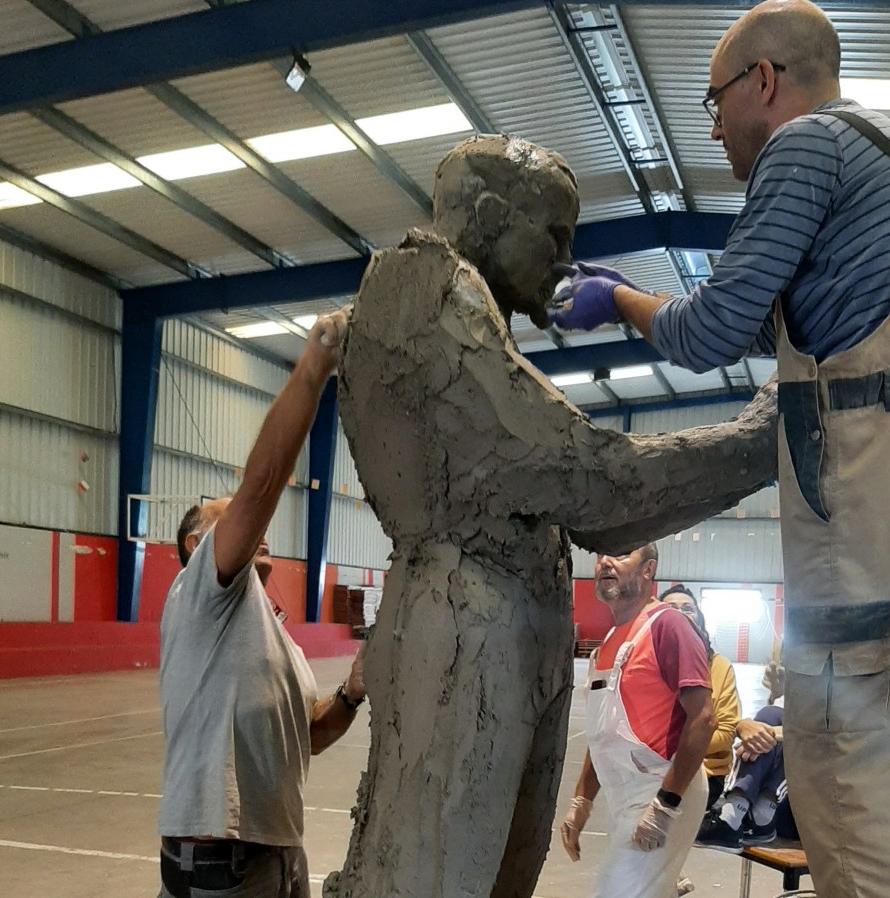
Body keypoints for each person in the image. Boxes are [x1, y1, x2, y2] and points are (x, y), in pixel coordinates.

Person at [549, 1, 890, 894]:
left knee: (844, 759)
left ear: (763, 81)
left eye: (715, 103)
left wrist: (617, 300)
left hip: (888, 474)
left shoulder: (804, 147)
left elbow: (712, 327)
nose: (719, 126)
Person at [327, 135, 780, 898]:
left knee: (499, 864)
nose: (565, 260)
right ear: (493, 213)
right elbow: (591, 481)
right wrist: (758, 443)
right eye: (554, 235)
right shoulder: (424, 285)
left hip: (502, 622)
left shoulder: (474, 316)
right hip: (464, 623)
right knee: (438, 872)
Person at [157, 309, 367, 898]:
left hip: (273, 852)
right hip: (220, 859)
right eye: (227, 514)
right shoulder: (201, 592)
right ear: (197, 545)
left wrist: (351, 691)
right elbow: (262, 484)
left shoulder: (265, 627)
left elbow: (308, 737)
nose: (254, 522)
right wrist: (312, 369)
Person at [560, 546, 716, 898]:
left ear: (648, 570)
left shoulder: (669, 626)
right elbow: (604, 734)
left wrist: (665, 805)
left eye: (620, 555)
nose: (605, 563)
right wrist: (581, 802)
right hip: (623, 797)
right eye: (601, 556)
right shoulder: (610, 642)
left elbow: (703, 718)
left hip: (661, 788)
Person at [697, 662, 797, 853]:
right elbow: (781, 714)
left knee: (800, 737)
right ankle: (748, 811)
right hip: (778, 796)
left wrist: (774, 733)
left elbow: (824, 734)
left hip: (817, 793)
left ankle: (734, 813)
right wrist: (749, 728)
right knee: (769, 716)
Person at [659, 584, 741, 809]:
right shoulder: (647, 665)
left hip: (703, 773)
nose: (679, 613)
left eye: (688, 608)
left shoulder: (720, 667)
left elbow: (725, 733)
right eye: (671, 608)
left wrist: (669, 750)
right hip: (651, 770)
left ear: (700, 619)